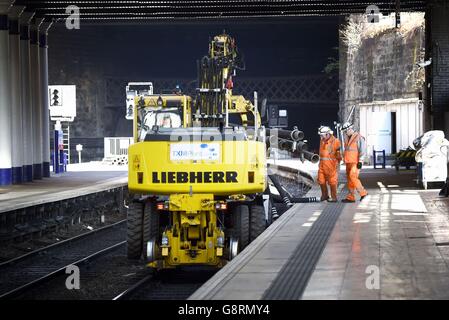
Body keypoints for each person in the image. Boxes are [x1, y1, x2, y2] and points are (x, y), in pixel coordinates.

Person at [341, 122, 368, 202]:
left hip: (355, 162)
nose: (345, 133)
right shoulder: (347, 138)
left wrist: (360, 161)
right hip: (348, 162)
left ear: (350, 129)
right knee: (350, 180)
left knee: (353, 177)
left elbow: (362, 151)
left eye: (346, 131)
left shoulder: (359, 137)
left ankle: (363, 193)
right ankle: (351, 197)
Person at [317, 126, 342, 202]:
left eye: (322, 135)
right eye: (320, 135)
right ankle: (325, 195)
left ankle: (334, 197)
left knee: (332, 182)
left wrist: (337, 165)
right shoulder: (322, 140)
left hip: (332, 166)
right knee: (321, 181)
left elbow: (339, 155)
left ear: (328, 134)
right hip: (322, 165)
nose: (321, 137)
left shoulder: (336, 141)